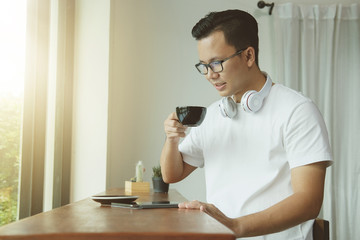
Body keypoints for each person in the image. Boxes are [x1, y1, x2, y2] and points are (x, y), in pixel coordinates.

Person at [160, 9, 332, 240]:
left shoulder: (297, 111)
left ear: (249, 56)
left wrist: (236, 226)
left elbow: (309, 202)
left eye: (217, 63)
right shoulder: (213, 116)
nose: (210, 75)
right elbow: (172, 174)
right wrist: (172, 139)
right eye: (203, 66)